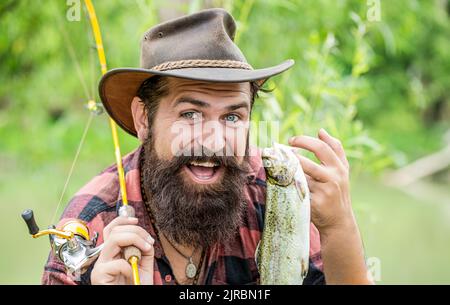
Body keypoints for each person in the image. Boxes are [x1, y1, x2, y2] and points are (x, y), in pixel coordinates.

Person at [42, 8, 371, 285]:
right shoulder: (89, 227)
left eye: (232, 118)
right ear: (144, 118)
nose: (214, 141)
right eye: (190, 114)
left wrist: (339, 227)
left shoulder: (272, 195)